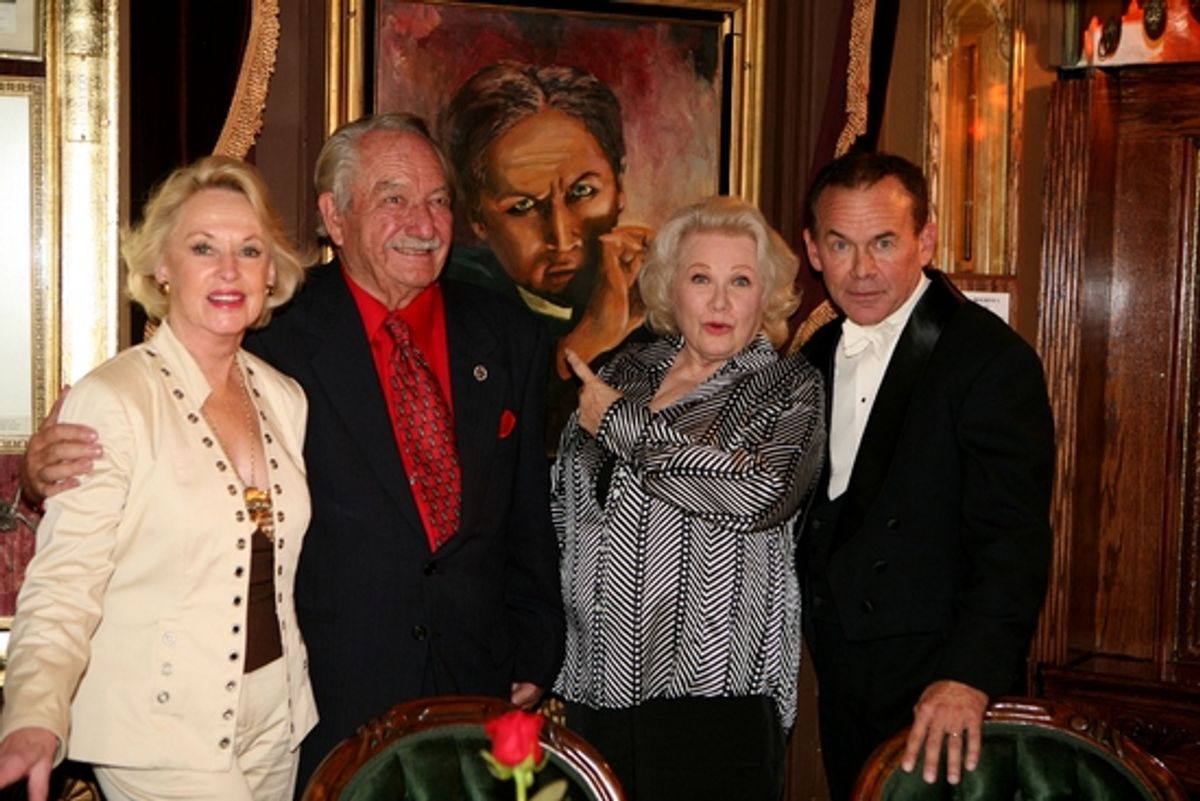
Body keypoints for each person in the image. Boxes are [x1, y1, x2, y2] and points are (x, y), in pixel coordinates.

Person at [18, 113, 565, 794]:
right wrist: (42, 471)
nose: (423, 221)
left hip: (435, 693)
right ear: (335, 217)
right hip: (318, 702)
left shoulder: (501, 333)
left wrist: (537, 641)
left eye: (438, 199)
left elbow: (524, 507)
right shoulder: (276, 333)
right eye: (394, 197)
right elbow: (148, 420)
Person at [0, 156, 316, 801]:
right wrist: (33, 713)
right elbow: (64, 582)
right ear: (161, 268)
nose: (229, 270)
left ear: (270, 273)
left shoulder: (284, 399)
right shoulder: (112, 399)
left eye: (249, 250)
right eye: (204, 248)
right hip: (158, 728)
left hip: (276, 722)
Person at [797, 150, 1054, 800]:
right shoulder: (813, 355)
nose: (861, 270)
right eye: (841, 244)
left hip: (937, 682)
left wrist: (968, 676)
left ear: (926, 239)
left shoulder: (989, 359)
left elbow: (1012, 539)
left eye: (883, 242)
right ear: (813, 249)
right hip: (842, 670)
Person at [552, 196, 826, 800]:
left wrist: (624, 427)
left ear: (769, 296)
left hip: (715, 704)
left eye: (741, 281)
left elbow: (760, 491)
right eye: (701, 278)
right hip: (596, 692)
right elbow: (564, 511)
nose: (721, 302)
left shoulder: (787, 387)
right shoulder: (622, 372)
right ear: (670, 287)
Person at [439, 61, 652, 439]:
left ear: (619, 186)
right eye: (522, 207)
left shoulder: (674, 297)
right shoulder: (451, 304)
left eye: (583, 192)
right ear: (477, 217)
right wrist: (589, 338)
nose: (562, 237)